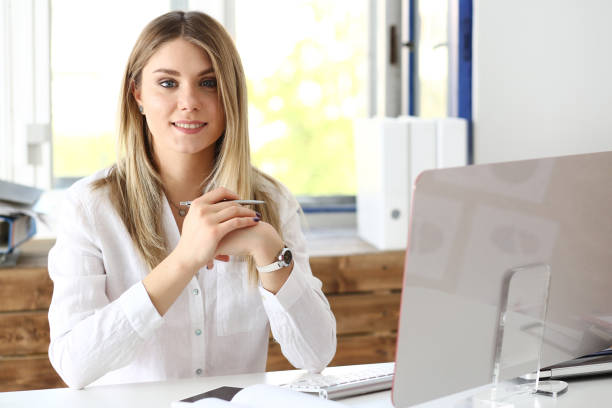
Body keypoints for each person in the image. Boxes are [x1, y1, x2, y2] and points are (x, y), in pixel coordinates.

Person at [47, 10, 336, 389]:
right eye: (168, 83)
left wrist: (269, 249)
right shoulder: (89, 207)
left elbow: (316, 354)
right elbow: (74, 364)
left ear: (230, 94)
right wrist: (184, 260)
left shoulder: (271, 200)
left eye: (209, 83)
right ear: (138, 94)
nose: (189, 102)